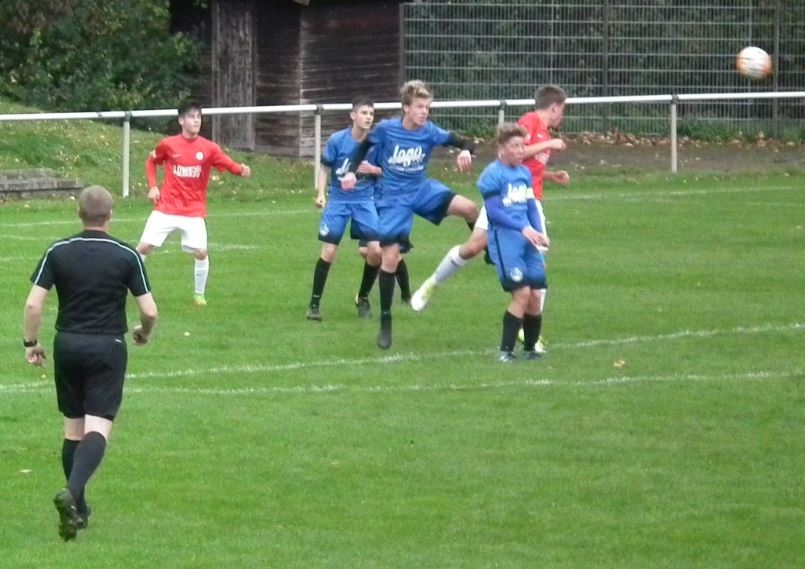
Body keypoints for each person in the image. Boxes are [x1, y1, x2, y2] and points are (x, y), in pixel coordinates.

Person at [23, 185, 158, 541]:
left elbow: (34, 304)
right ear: (110, 215)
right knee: (97, 428)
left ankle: (78, 510)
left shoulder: (58, 250)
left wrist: (31, 343)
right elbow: (149, 310)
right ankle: (72, 492)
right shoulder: (126, 254)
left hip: (67, 344)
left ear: (79, 214)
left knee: (73, 429)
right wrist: (144, 332)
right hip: (106, 346)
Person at [409, 84, 569, 353]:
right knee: (472, 248)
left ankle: (528, 331)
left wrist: (552, 176)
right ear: (554, 107)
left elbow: (527, 168)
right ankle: (432, 283)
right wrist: (549, 144)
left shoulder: (543, 133)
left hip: (527, 202)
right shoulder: (531, 122)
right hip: (503, 200)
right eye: (562, 110)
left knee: (536, 269)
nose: (562, 116)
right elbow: (516, 151)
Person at [341, 79, 478, 349]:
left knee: (470, 208)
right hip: (394, 199)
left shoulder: (430, 131)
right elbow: (362, 147)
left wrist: (465, 150)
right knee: (390, 258)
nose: (424, 112)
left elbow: (466, 141)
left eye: (427, 107)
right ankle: (385, 323)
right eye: (419, 107)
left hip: (422, 190)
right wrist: (350, 172)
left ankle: (490, 250)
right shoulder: (387, 129)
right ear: (406, 107)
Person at [136, 101, 251, 306]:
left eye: (198, 116)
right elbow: (151, 161)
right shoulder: (168, 144)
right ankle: (127, 286)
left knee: (201, 252)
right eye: (191, 116)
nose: (196, 120)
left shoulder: (209, 148)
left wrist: (241, 170)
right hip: (167, 208)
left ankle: (199, 295)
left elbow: (228, 163)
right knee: (143, 247)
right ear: (181, 120)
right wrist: (153, 187)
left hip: (193, 211)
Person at [476, 124, 549, 362]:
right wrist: (522, 228)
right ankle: (506, 351)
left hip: (528, 239)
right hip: (506, 240)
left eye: (522, 146)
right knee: (522, 293)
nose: (520, 151)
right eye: (515, 146)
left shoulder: (524, 173)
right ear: (502, 148)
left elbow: (531, 207)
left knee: (536, 294)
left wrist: (539, 233)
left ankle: (530, 349)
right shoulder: (491, 175)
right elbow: (494, 212)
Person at [307, 96, 383, 321]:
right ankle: (314, 305)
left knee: (376, 251)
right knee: (329, 251)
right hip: (339, 200)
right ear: (353, 116)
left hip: (364, 200)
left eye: (371, 113)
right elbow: (324, 168)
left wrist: (374, 170)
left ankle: (363, 297)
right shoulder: (337, 140)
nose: (368, 117)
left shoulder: (377, 143)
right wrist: (321, 194)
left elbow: (388, 171)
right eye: (364, 113)